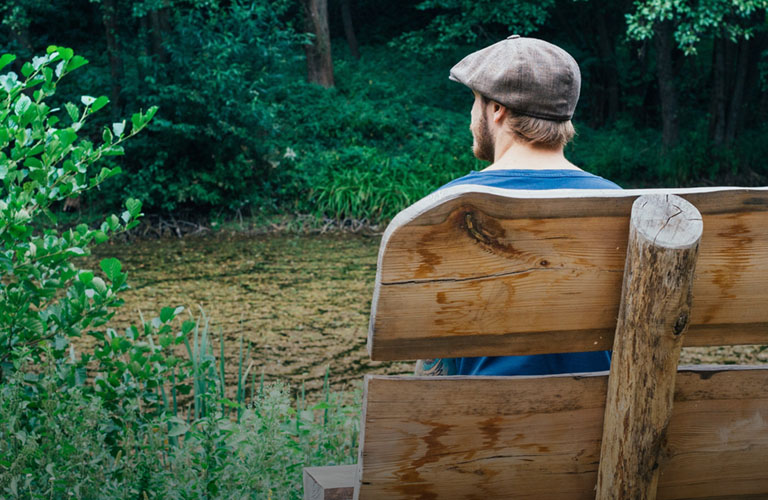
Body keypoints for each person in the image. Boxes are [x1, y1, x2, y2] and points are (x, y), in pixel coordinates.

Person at [417, 35, 620, 377]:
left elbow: (433, 356)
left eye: (475, 101)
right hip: (596, 427)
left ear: (496, 109)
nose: (471, 114)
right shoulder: (619, 204)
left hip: (482, 426)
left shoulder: (447, 208)